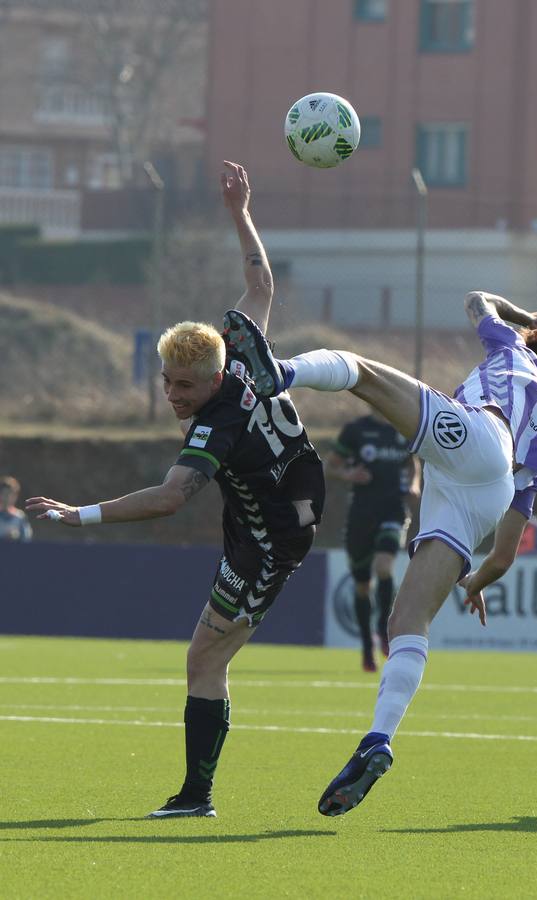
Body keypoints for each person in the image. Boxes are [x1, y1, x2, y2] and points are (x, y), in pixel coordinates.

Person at [26, 161, 325, 820]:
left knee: (204, 660)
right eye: (166, 382)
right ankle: (196, 793)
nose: (171, 395)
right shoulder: (238, 344)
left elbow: (169, 498)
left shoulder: (218, 422)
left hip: (273, 535)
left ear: (215, 381)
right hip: (289, 490)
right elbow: (262, 283)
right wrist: (239, 210)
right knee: (202, 659)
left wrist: (81, 514)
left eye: (183, 388)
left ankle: (197, 797)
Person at [224, 289, 537, 816]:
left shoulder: (513, 348)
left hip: (475, 440)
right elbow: (504, 555)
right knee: (408, 621)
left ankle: (278, 373)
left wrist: (531, 320)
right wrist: (473, 584)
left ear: (531, 345)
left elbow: (477, 298)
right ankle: (377, 738)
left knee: (359, 372)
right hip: (486, 492)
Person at [328, 410, 420, 670]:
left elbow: (412, 462)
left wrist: (414, 484)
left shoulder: (402, 427)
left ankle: (384, 631)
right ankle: (367, 647)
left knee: (384, 566)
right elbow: (330, 465)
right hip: (361, 515)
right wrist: (347, 475)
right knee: (362, 586)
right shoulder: (355, 430)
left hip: (393, 510)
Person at [0, 476, 33, 542]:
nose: (7, 497)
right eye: (5, 494)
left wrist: (17, 536)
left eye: (10, 494)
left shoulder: (20, 517)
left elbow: (26, 539)